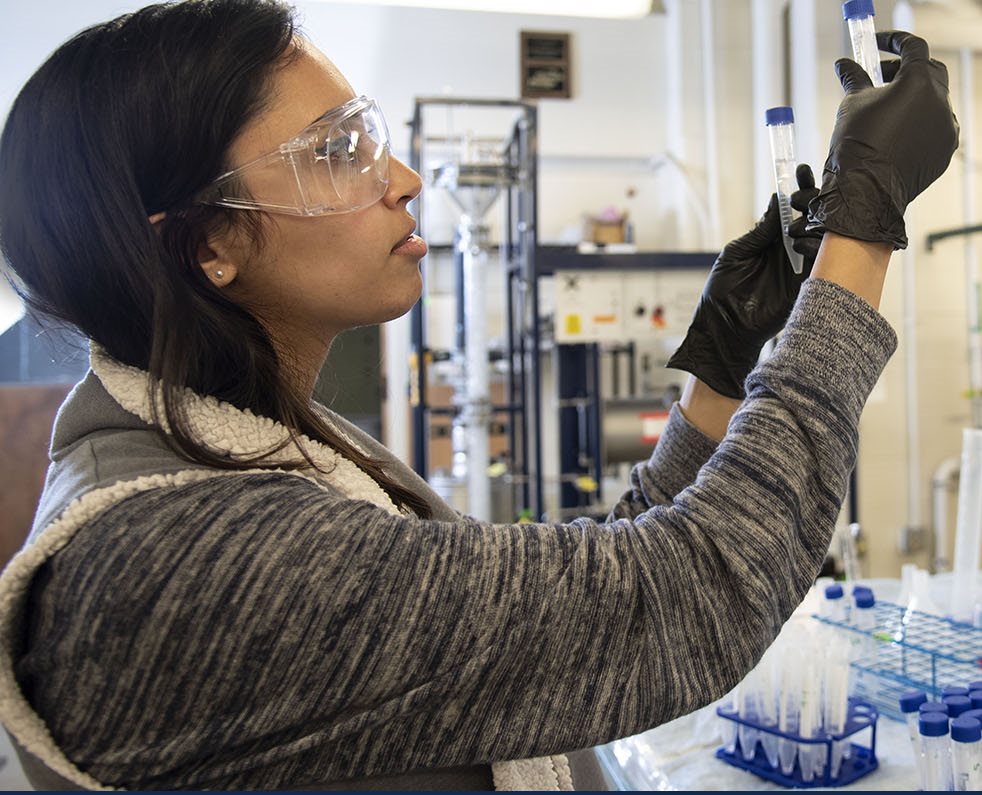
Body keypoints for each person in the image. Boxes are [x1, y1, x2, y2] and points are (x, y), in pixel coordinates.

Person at [0, 0, 957, 790]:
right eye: (336, 152)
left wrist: (722, 366)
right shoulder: (173, 563)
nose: (405, 180)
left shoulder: (271, 444)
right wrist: (860, 230)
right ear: (205, 243)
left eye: (370, 138)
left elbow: (590, 599)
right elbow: (688, 594)